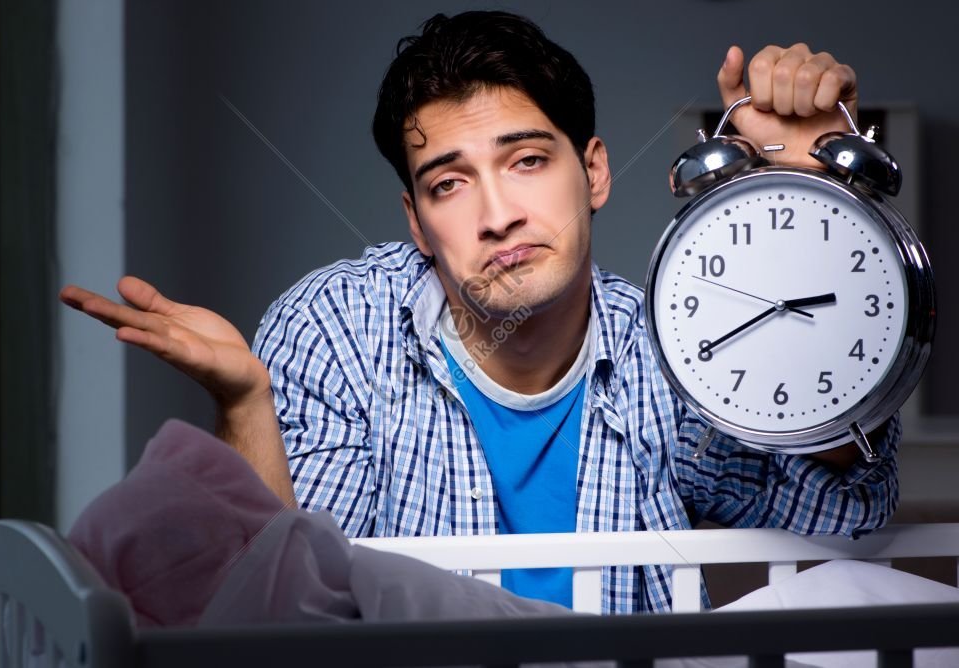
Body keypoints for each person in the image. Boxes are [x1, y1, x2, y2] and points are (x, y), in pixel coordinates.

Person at [60, 11, 899, 614]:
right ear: (417, 222)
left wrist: (810, 199)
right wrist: (246, 405)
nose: (496, 215)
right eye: (450, 184)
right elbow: (287, 613)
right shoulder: (335, 330)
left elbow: (841, 520)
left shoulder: (674, 349)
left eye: (528, 160)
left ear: (595, 172)